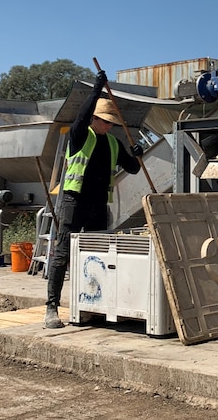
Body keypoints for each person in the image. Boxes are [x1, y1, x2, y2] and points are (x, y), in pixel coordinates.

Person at [44, 70, 144, 328]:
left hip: (99, 205)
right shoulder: (80, 135)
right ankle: (51, 309)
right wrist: (97, 88)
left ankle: (91, 306)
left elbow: (132, 168)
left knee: (96, 255)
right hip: (74, 202)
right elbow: (81, 115)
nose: (109, 125)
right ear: (95, 118)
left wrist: (137, 155)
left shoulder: (112, 142)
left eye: (111, 122)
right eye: (105, 121)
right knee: (63, 252)